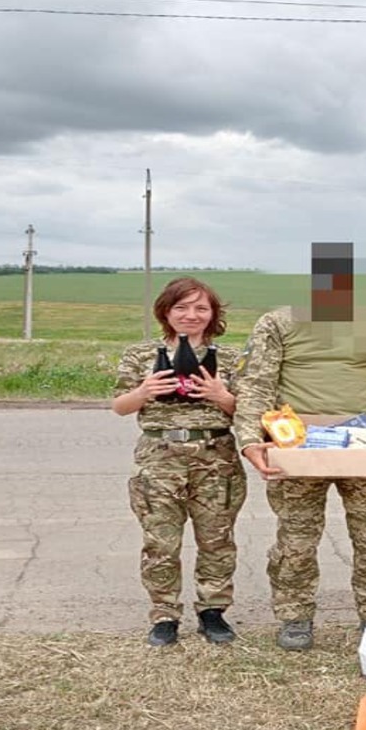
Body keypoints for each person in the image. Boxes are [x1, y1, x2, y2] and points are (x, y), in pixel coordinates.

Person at [233, 243, 366, 651]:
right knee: (295, 542)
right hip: (296, 446)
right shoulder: (278, 324)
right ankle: (295, 616)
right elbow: (256, 384)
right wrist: (251, 441)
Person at [112, 277, 247, 647]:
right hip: (159, 459)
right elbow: (119, 406)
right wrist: (144, 391)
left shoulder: (233, 359)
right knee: (160, 543)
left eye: (201, 308)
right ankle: (165, 615)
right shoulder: (140, 356)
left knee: (217, 540)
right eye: (181, 308)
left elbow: (250, 413)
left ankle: (212, 612)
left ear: (213, 314)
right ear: (166, 312)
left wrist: (221, 395)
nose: (191, 315)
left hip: (215, 457)